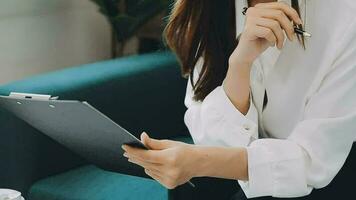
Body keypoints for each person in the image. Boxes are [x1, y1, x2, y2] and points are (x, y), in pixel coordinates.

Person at [122, 0, 356, 199]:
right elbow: (208, 133)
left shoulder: (345, 15)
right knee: (192, 190)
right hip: (246, 168)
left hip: (331, 174)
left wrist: (199, 161)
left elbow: (312, 162)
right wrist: (240, 64)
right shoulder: (207, 8)